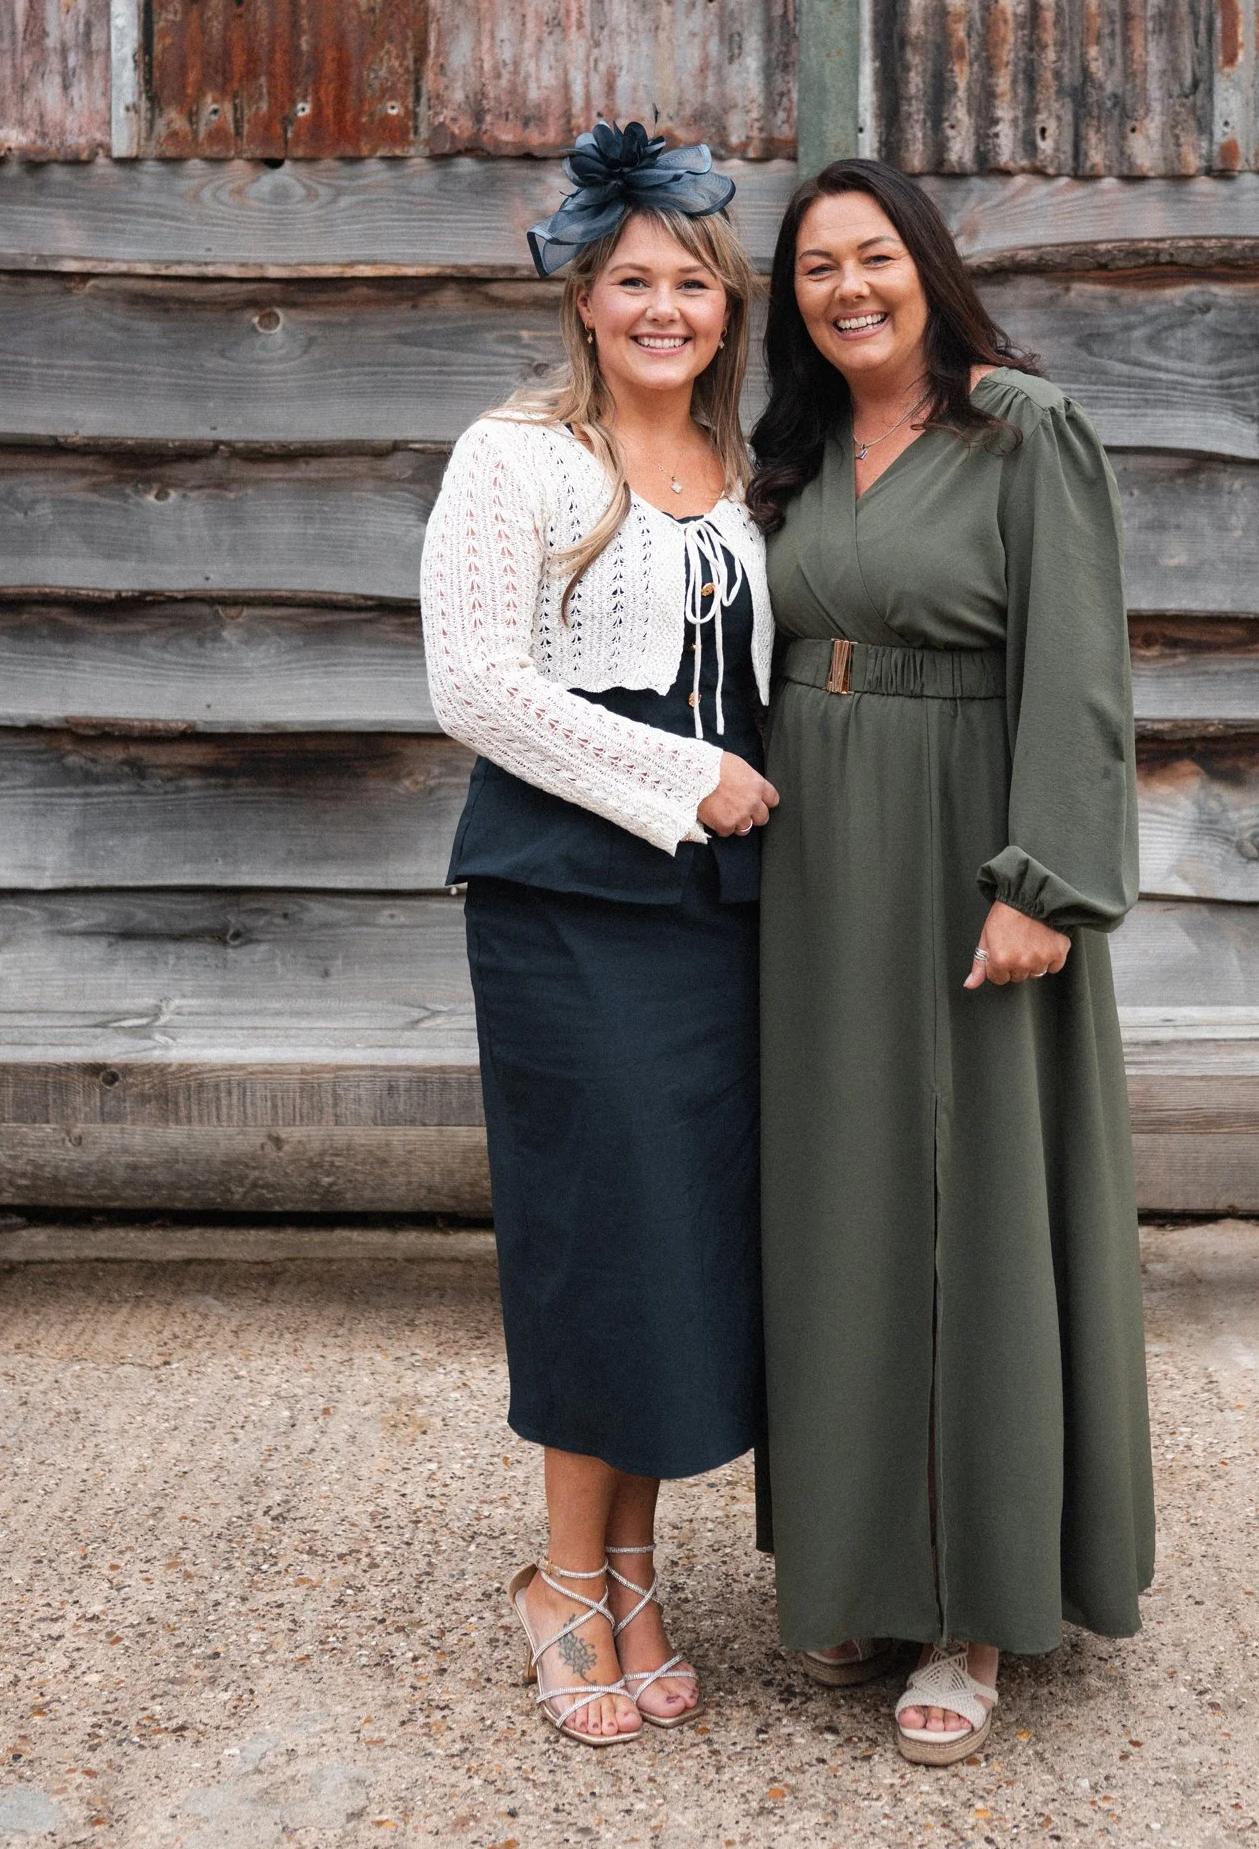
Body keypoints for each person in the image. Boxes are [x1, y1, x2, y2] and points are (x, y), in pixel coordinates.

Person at [749, 159, 1153, 1766]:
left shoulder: (1022, 430)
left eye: (873, 257)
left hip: (968, 851)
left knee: (972, 1209)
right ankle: (856, 1565)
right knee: (841, 1205)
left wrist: (1041, 881)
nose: (847, 289)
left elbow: (1080, 667)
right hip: (817, 866)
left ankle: (976, 1605)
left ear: (924, 265)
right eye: (814, 269)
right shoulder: (785, 458)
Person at [419, 122, 777, 1747]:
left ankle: (635, 1569)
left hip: (717, 917)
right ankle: (563, 1580)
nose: (661, 308)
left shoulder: (742, 470)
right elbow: (477, 686)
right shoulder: (517, 459)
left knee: (678, 1231)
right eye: (632, 280)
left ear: (726, 307)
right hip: (571, 897)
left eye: (689, 283)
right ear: (583, 300)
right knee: (596, 1231)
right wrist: (683, 774)